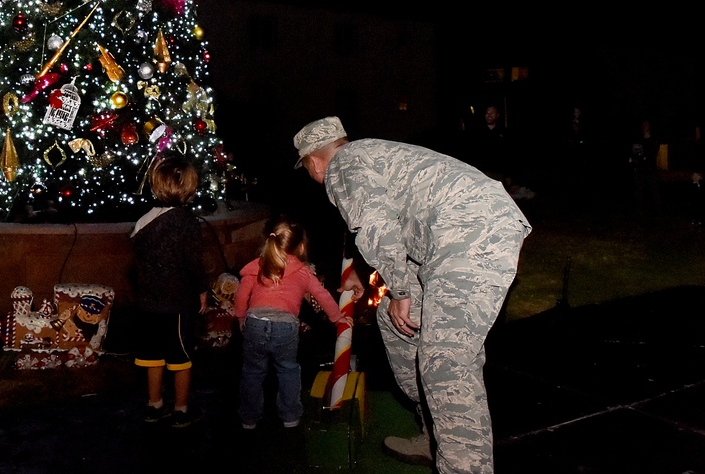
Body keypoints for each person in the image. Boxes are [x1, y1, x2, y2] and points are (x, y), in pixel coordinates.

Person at [293, 116, 532, 473]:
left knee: (446, 364)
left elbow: (375, 224)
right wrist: (369, 276)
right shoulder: (368, 154)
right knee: (395, 318)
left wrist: (400, 287)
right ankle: (433, 435)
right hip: (455, 237)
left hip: (470, 236)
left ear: (313, 162)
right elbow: (393, 219)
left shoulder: (342, 166)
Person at [233, 214, 353, 430]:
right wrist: (338, 318)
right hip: (285, 327)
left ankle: (249, 419)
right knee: (288, 369)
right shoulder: (303, 272)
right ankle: (290, 417)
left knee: (252, 371)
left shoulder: (256, 266)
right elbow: (322, 295)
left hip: (256, 323)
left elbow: (242, 294)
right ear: (300, 248)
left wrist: (241, 316)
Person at [130, 151, 209, 428]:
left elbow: (138, 262)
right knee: (181, 359)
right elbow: (193, 263)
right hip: (175, 304)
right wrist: (202, 289)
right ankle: (181, 408)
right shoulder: (187, 222)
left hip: (147, 303)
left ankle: (154, 405)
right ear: (188, 187)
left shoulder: (143, 220)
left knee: (152, 357)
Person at [629, 118, 663, 217]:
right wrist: (634, 159)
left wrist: (643, 157)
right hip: (640, 169)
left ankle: (658, 211)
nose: (644, 126)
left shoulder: (654, 140)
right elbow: (635, 152)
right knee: (639, 191)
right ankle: (640, 210)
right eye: (643, 125)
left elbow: (651, 154)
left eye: (646, 125)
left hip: (650, 169)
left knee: (654, 190)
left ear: (650, 127)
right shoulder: (638, 140)